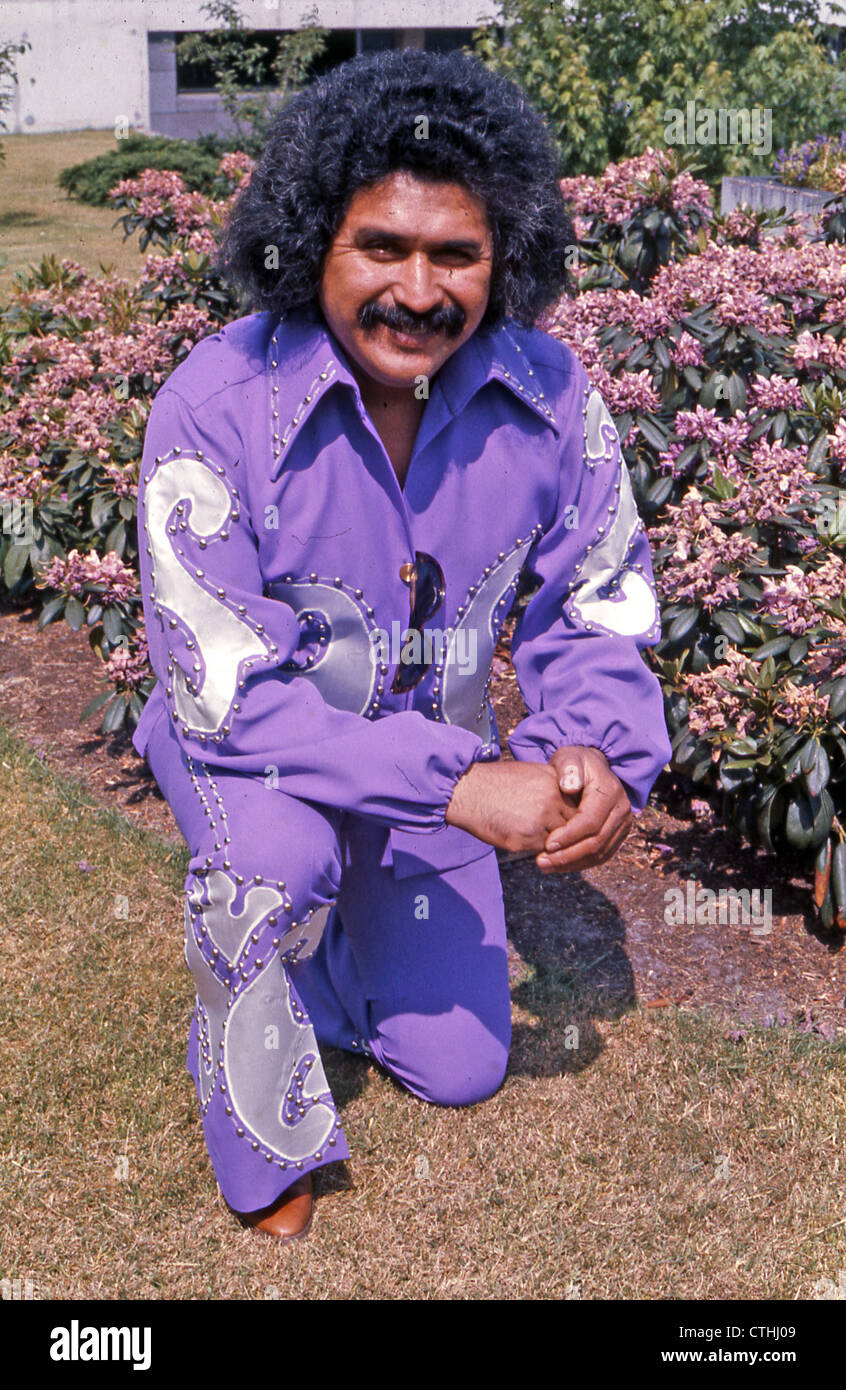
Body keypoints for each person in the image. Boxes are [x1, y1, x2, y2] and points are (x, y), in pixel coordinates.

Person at [131, 47, 672, 1240]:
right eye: (381, 246)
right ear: (312, 238)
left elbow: (598, 596)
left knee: (461, 1060)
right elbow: (229, 697)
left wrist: (597, 754)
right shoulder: (214, 407)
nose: (418, 291)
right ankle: (259, 1092)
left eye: (456, 255)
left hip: (433, 769)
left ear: (504, 259)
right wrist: (465, 782)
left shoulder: (552, 396)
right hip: (252, 752)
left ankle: (323, 950)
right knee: (274, 862)